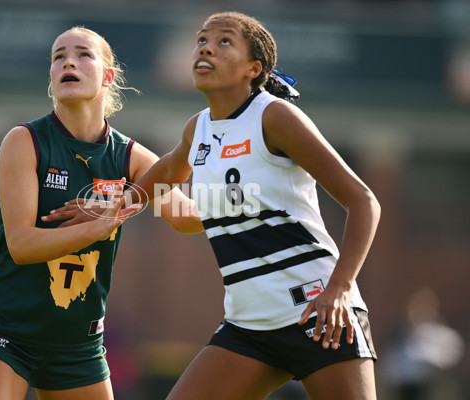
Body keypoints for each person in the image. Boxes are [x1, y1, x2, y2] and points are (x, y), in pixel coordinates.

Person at [122, 11, 381, 400]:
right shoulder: (198, 129)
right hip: (249, 326)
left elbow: (363, 201)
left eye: (224, 41)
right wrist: (106, 211)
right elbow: (164, 176)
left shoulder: (275, 116)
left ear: (253, 68)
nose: (206, 46)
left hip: (319, 313)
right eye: (202, 40)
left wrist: (340, 288)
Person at [0, 27, 201, 400]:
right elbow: (21, 244)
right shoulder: (25, 141)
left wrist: (251, 196)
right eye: (58, 56)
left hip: (79, 346)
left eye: (83, 54)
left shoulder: (130, 156)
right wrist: (100, 225)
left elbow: (186, 217)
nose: (68, 61)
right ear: (53, 77)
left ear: (108, 76)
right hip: (4, 333)